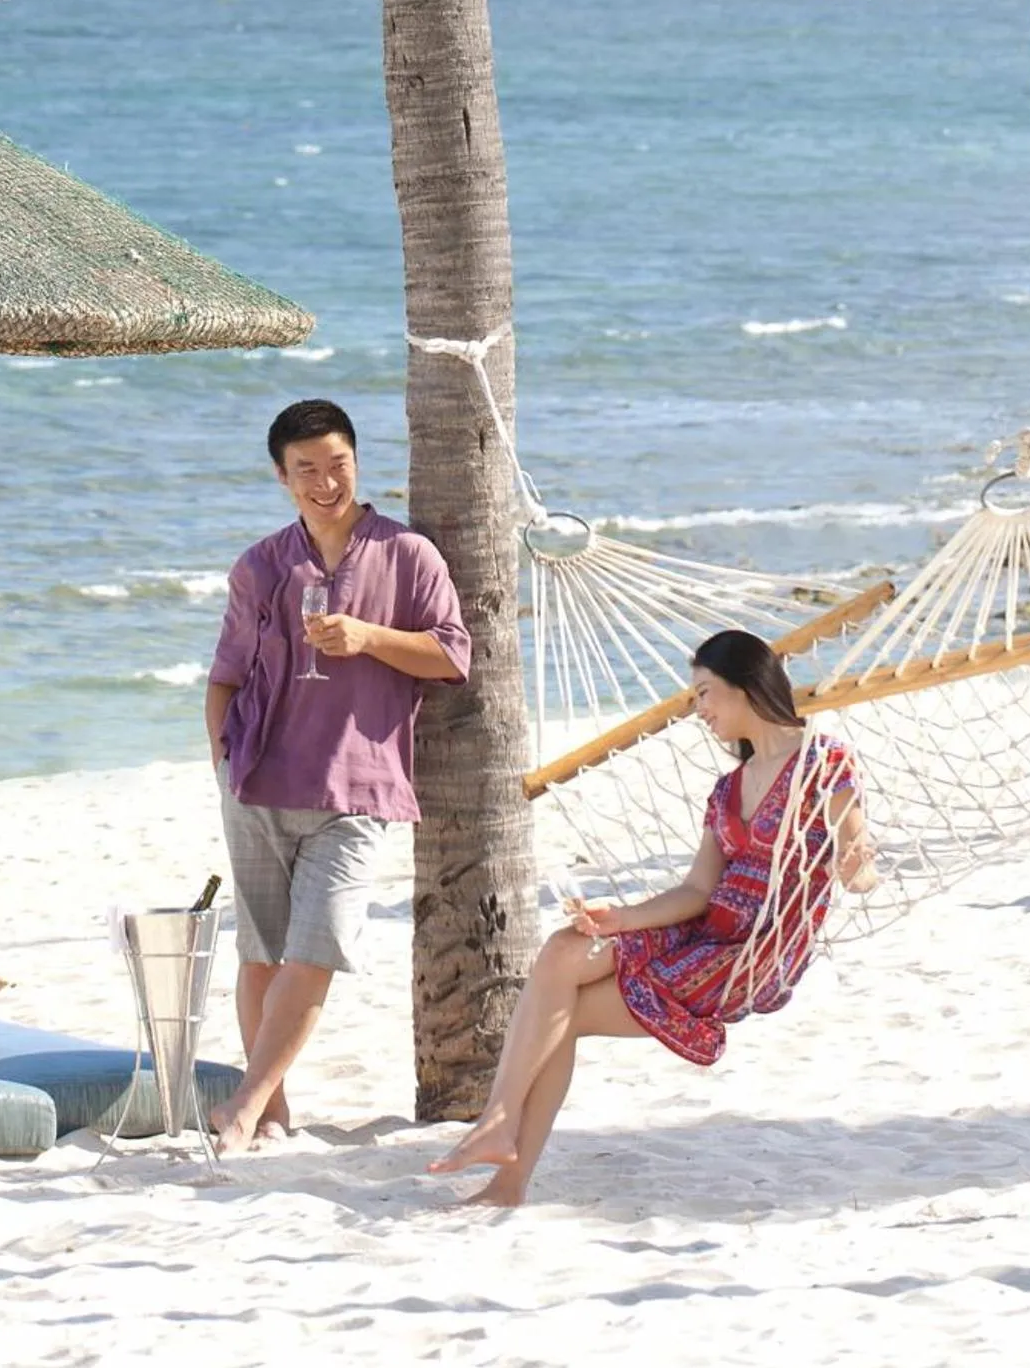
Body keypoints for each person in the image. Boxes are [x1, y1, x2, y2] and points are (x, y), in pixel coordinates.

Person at [430, 627, 877, 1206]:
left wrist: (855, 866)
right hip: (705, 929)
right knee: (564, 950)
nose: (699, 710)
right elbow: (697, 890)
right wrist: (622, 918)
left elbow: (858, 871)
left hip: (754, 952)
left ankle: (504, 1153)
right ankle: (502, 1147)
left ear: (746, 685)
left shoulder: (823, 762)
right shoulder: (728, 789)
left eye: (705, 693)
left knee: (558, 1014)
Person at [205, 397, 471, 1154]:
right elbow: (224, 676)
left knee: (315, 948)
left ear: (356, 461)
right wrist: (224, 762)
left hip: (359, 786)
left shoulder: (407, 554)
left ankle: (243, 1104)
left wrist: (367, 637)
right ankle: (271, 1114)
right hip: (258, 780)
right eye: (307, 470)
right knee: (261, 954)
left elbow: (452, 654)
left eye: (337, 465)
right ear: (281, 477)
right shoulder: (261, 566)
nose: (325, 483)